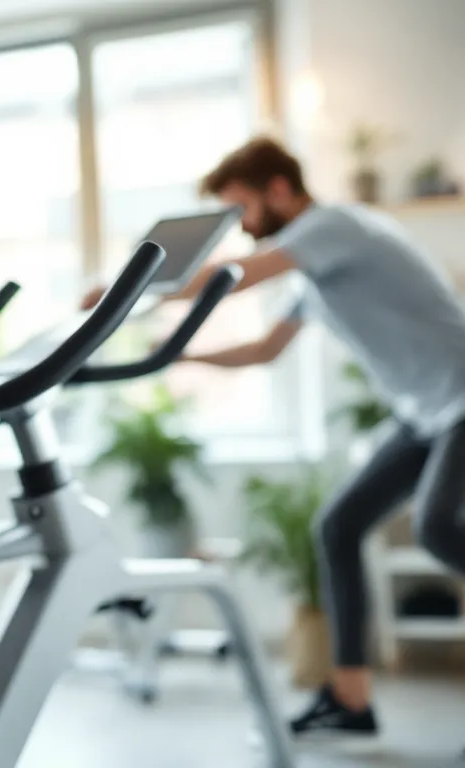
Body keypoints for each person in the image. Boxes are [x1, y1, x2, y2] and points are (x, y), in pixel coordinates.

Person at [81, 136, 465, 740]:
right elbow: (266, 350)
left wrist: (124, 291)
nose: (243, 226)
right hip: (425, 415)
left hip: (461, 399)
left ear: (279, 190)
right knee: (338, 527)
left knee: (438, 528)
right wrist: (177, 355)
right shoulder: (316, 267)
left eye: (244, 210)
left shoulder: (337, 226)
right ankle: (351, 701)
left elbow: (236, 277)